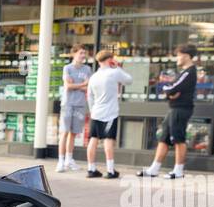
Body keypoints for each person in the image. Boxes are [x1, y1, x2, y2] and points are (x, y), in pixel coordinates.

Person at [139, 44, 199, 179]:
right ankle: (154, 169)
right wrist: (169, 92)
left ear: (187, 56)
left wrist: (169, 91)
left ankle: (178, 171)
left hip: (181, 109)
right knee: (164, 138)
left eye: (179, 54)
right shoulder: (183, 73)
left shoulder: (190, 72)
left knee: (179, 139)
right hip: (174, 108)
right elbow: (169, 89)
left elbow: (171, 88)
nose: (177, 57)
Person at [85, 48, 132, 179]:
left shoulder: (94, 76)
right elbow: (129, 80)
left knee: (93, 140)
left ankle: (91, 169)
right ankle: (110, 170)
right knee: (108, 140)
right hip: (110, 113)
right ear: (110, 60)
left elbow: (89, 96)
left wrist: (92, 110)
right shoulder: (114, 72)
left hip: (96, 112)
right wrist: (118, 67)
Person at [57, 44, 92, 173]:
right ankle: (60, 161)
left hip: (80, 105)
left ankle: (69, 160)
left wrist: (75, 85)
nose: (83, 55)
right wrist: (82, 84)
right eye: (81, 53)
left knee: (73, 134)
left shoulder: (88, 69)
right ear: (74, 54)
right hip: (68, 104)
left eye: (84, 53)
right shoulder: (67, 68)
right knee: (64, 133)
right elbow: (68, 86)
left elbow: (89, 87)